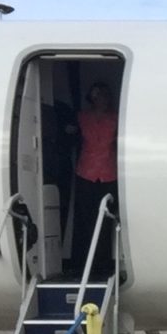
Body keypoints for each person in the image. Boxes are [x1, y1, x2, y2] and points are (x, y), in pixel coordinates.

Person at [71, 81, 118, 277]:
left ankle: (103, 264)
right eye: (100, 96)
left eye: (106, 96)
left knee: (106, 221)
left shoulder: (116, 118)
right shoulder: (82, 118)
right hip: (85, 172)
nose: (103, 100)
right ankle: (81, 264)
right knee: (84, 220)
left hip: (108, 172)